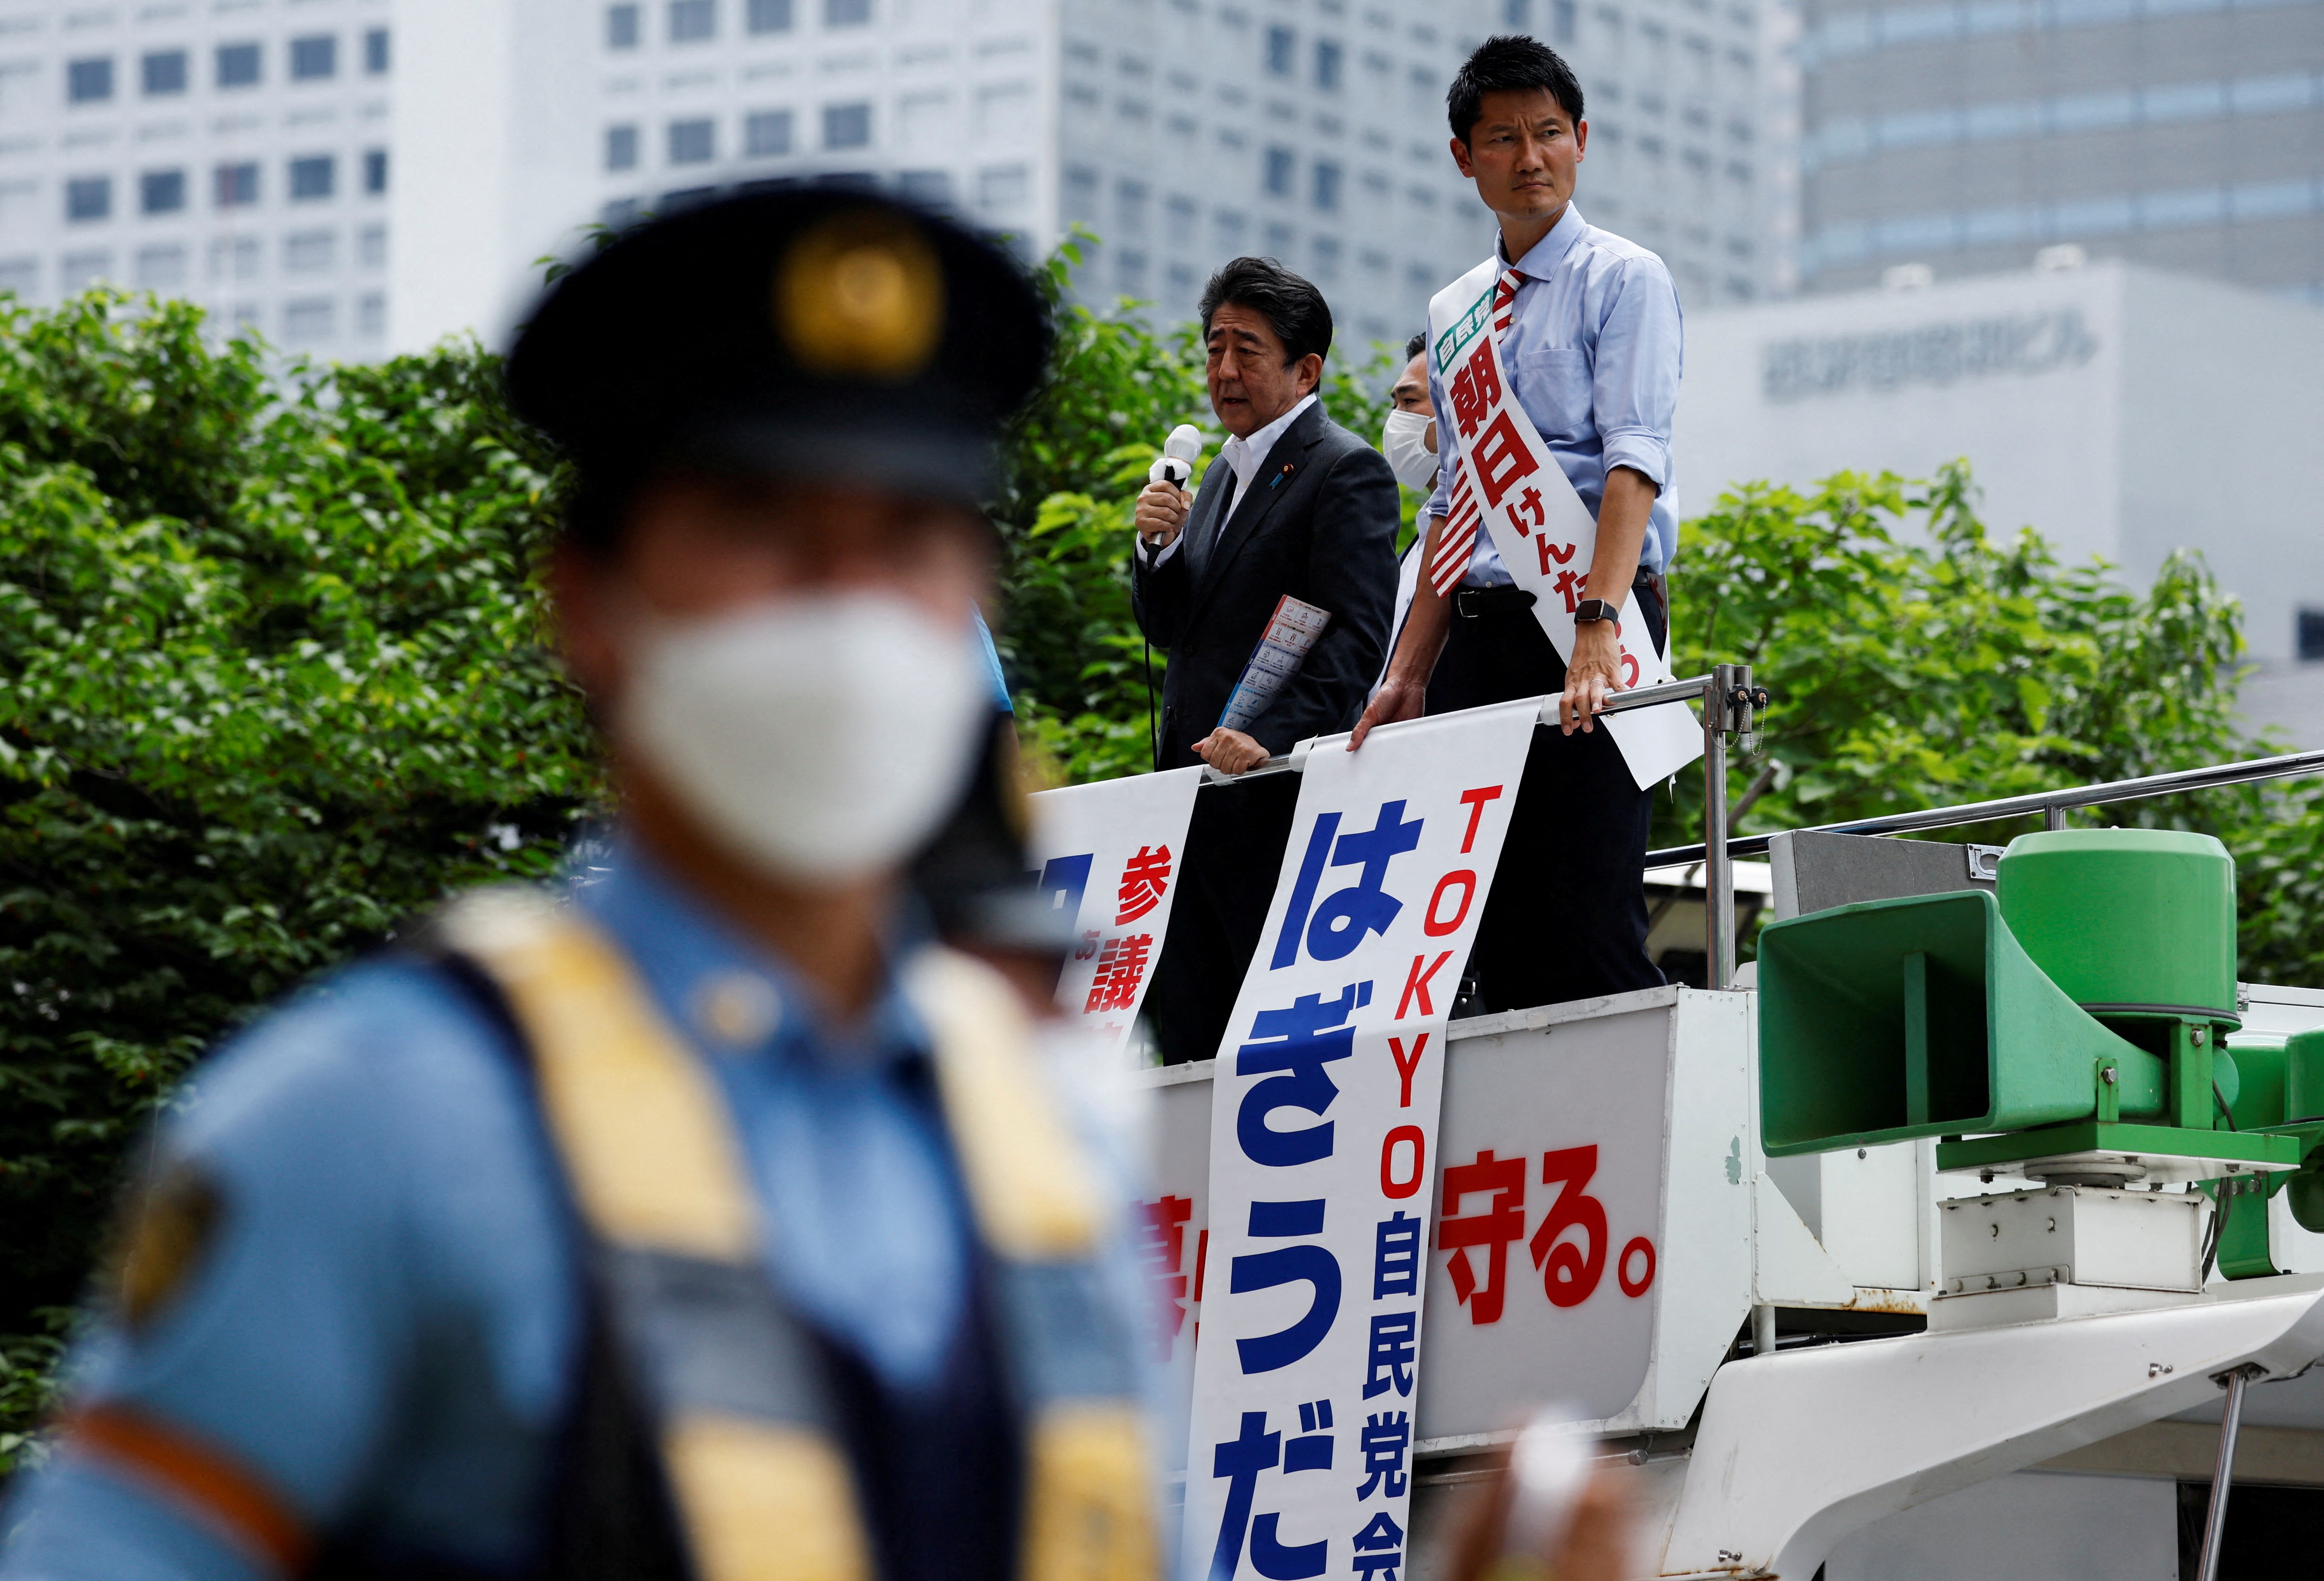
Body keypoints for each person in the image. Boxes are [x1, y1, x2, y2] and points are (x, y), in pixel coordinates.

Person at [0, 190, 1161, 1581]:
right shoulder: (364, 1118)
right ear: (589, 603)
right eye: (765, 529)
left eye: (907, 541)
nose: (846, 606)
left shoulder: (1051, 1142)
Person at [1353, 33, 1685, 1013]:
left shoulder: (1627, 279)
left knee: (1585, 917)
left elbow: (1633, 462)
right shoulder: (1452, 311)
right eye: (1502, 138)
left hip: (1586, 621)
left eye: (1547, 133)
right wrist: (1405, 671)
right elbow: (1452, 503)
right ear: (1464, 157)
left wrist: (1596, 628)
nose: (1529, 156)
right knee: (1476, 927)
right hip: (1475, 638)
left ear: (1581, 141)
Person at [1129, 256, 1399, 1066]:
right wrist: (1157, 551)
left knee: (1269, 1054)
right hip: (1190, 802)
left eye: (1247, 350)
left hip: (1277, 804)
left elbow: (1356, 637)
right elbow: (1174, 627)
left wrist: (1272, 739)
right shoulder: (1215, 475)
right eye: (1214, 348)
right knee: (1190, 1043)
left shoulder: (1345, 469)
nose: (1223, 371)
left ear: (1305, 368)